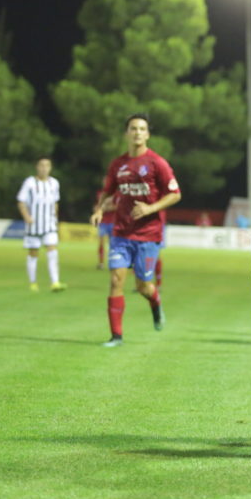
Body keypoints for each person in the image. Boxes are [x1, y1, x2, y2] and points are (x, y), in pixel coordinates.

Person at [91, 113, 181, 347]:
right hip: (121, 232)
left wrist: (151, 208)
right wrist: (100, 210)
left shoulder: (157, 163)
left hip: (148, 235)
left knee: (142, 285)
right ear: (126, 133)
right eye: (133, 128)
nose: (137, 132)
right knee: (115, 279)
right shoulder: (118, 164)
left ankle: (155, 302)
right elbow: (108, 193)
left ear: (148, 134)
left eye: (142, 129)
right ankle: (116, 336)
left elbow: (175, 194)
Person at [16, 157, 65, 292]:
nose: (44, 168)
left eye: (47, 165)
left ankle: (55, 282)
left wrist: (55, 217)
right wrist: (27, 217)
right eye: (41, 165)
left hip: (49, 224)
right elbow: (21, 201)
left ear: (50, 167)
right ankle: (33, 283)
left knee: (53, 251)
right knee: (33, 253)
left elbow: (55, 202)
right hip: (34, 224)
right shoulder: (30, 183)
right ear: (37, 167)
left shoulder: (54, 183)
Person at [95, 189, 117, 270]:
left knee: (113, 244)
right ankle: (101, 263)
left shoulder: (116, 193)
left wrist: (107, 208)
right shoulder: (100, 193)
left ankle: (113, 262)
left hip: (113, 222)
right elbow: (97, 206)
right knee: (101, 243)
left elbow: (118, 206)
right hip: (102, 222)